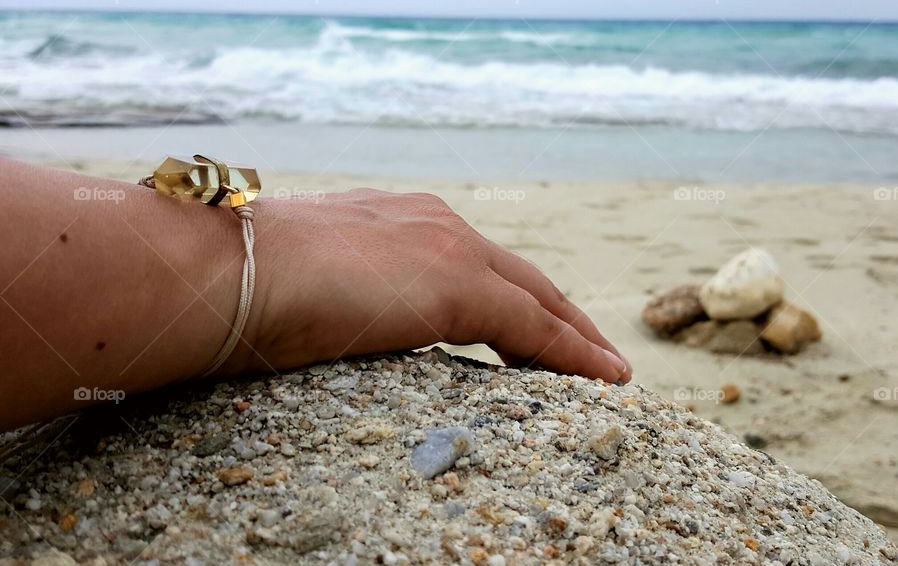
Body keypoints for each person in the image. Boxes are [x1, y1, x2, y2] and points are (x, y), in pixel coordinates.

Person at [0, 157, 631, 432]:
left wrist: (241, 218)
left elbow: (183, 182)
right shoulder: (217, 204)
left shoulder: (204, 189)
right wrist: (251, 259)